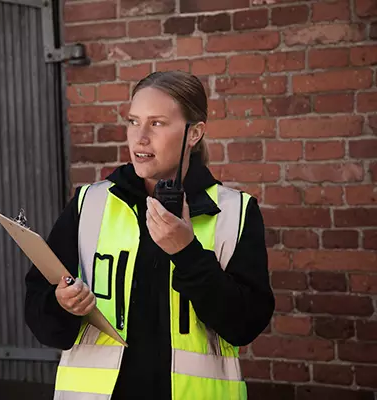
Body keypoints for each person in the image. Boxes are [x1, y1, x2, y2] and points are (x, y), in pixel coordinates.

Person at [24, 70, 275, 399]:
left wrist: (187, 253)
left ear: (194, 133)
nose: (139, 138)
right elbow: (41, 312)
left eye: (157, 123)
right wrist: (61, 303)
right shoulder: (89, 204)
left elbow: (244, 325)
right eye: (133, 121)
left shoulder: (236, 213)